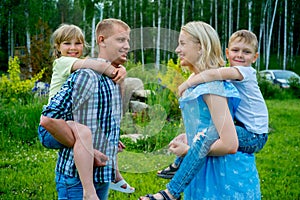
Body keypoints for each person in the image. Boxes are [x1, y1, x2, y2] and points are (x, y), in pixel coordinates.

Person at [140, 22, 261, 200]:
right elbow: (207, 124)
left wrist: (188, 150)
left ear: (201, 47)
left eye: (182, 43)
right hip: (203, 169)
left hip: (222, 177)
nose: (177, 50)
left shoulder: (211, 86)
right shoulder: (196, 79)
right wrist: (188, 135)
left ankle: (170, 193)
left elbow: (229, 144)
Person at [158, 29, 268, 180]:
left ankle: (180, 166)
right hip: (247, 129)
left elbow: (212, 74)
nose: (240, 55)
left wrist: (186, 84)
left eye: (246, 52)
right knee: (205, 132)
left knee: (207, 134)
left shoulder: (244, 71)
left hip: (254, 135)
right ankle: (181, 163)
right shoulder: (232, 73)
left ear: (255, 57)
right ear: (227, 53)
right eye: (235, 50)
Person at [39, 18, 130, 200]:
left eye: (78, 43)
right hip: (55, 131)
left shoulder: (99, 75)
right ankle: (89, 191)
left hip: (100, 173)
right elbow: (48, 120)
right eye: (67, 43)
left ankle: (115, 174)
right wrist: (112, 69)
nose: (73, 48)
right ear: (58, 47)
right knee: (84, 133)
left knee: (86, 133)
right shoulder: (68, 65)